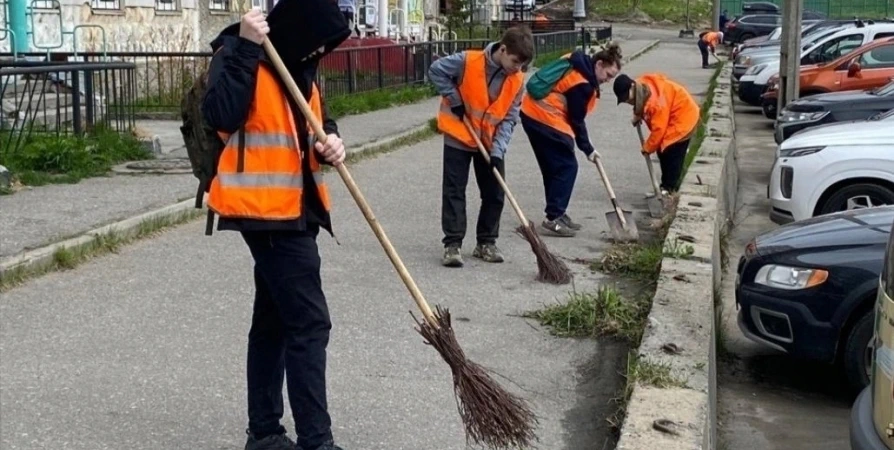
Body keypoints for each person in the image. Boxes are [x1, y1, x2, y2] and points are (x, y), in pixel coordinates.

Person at [200, 3, 351, 450]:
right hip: (264, 210)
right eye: (320, 40)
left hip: (297, 209)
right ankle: (315, 442)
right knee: (309, 324)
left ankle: (264, 432)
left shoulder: (299, 64)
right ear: (299, 29)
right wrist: (248, 46)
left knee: (274, 322)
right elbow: (221, 114)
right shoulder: (238, 51)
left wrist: (332, 142)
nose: (322, 50)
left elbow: (313, 123)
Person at [428, 26, 534, 267]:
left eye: (522, 64)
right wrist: (453, 99)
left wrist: (498, 150)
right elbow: (436, 70)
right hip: (459, 134)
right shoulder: (467, 61)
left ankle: (486, 242)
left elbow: (509, 117)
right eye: (515, 61)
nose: (517, 68)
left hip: (489, 140)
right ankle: (452, 245)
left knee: (495, 193)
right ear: (503, 49)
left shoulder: (517, 80)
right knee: (454, 190)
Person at [519, 42, 623, 238]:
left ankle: (557, 212)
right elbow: (576, 120)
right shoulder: (582, 83)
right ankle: (554, 218)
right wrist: (588, 149)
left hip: (532, 113)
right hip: (544, 117)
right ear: (599, 64)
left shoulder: (577, 62)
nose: (608, 81)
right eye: (608, 75)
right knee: (567, 167)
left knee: (554, 166)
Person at [613, 72, 700, 193]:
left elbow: (658, 131)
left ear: (632, 86)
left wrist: (647, 148)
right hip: (673, 115)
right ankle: (665, 186)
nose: (627, 101)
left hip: (684, 118)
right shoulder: (641, 87)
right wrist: (637, 115)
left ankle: (670, 189)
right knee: (661, 151)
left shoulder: (656, 103)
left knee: (671, 153)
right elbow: (640, 104)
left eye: (626, 97)